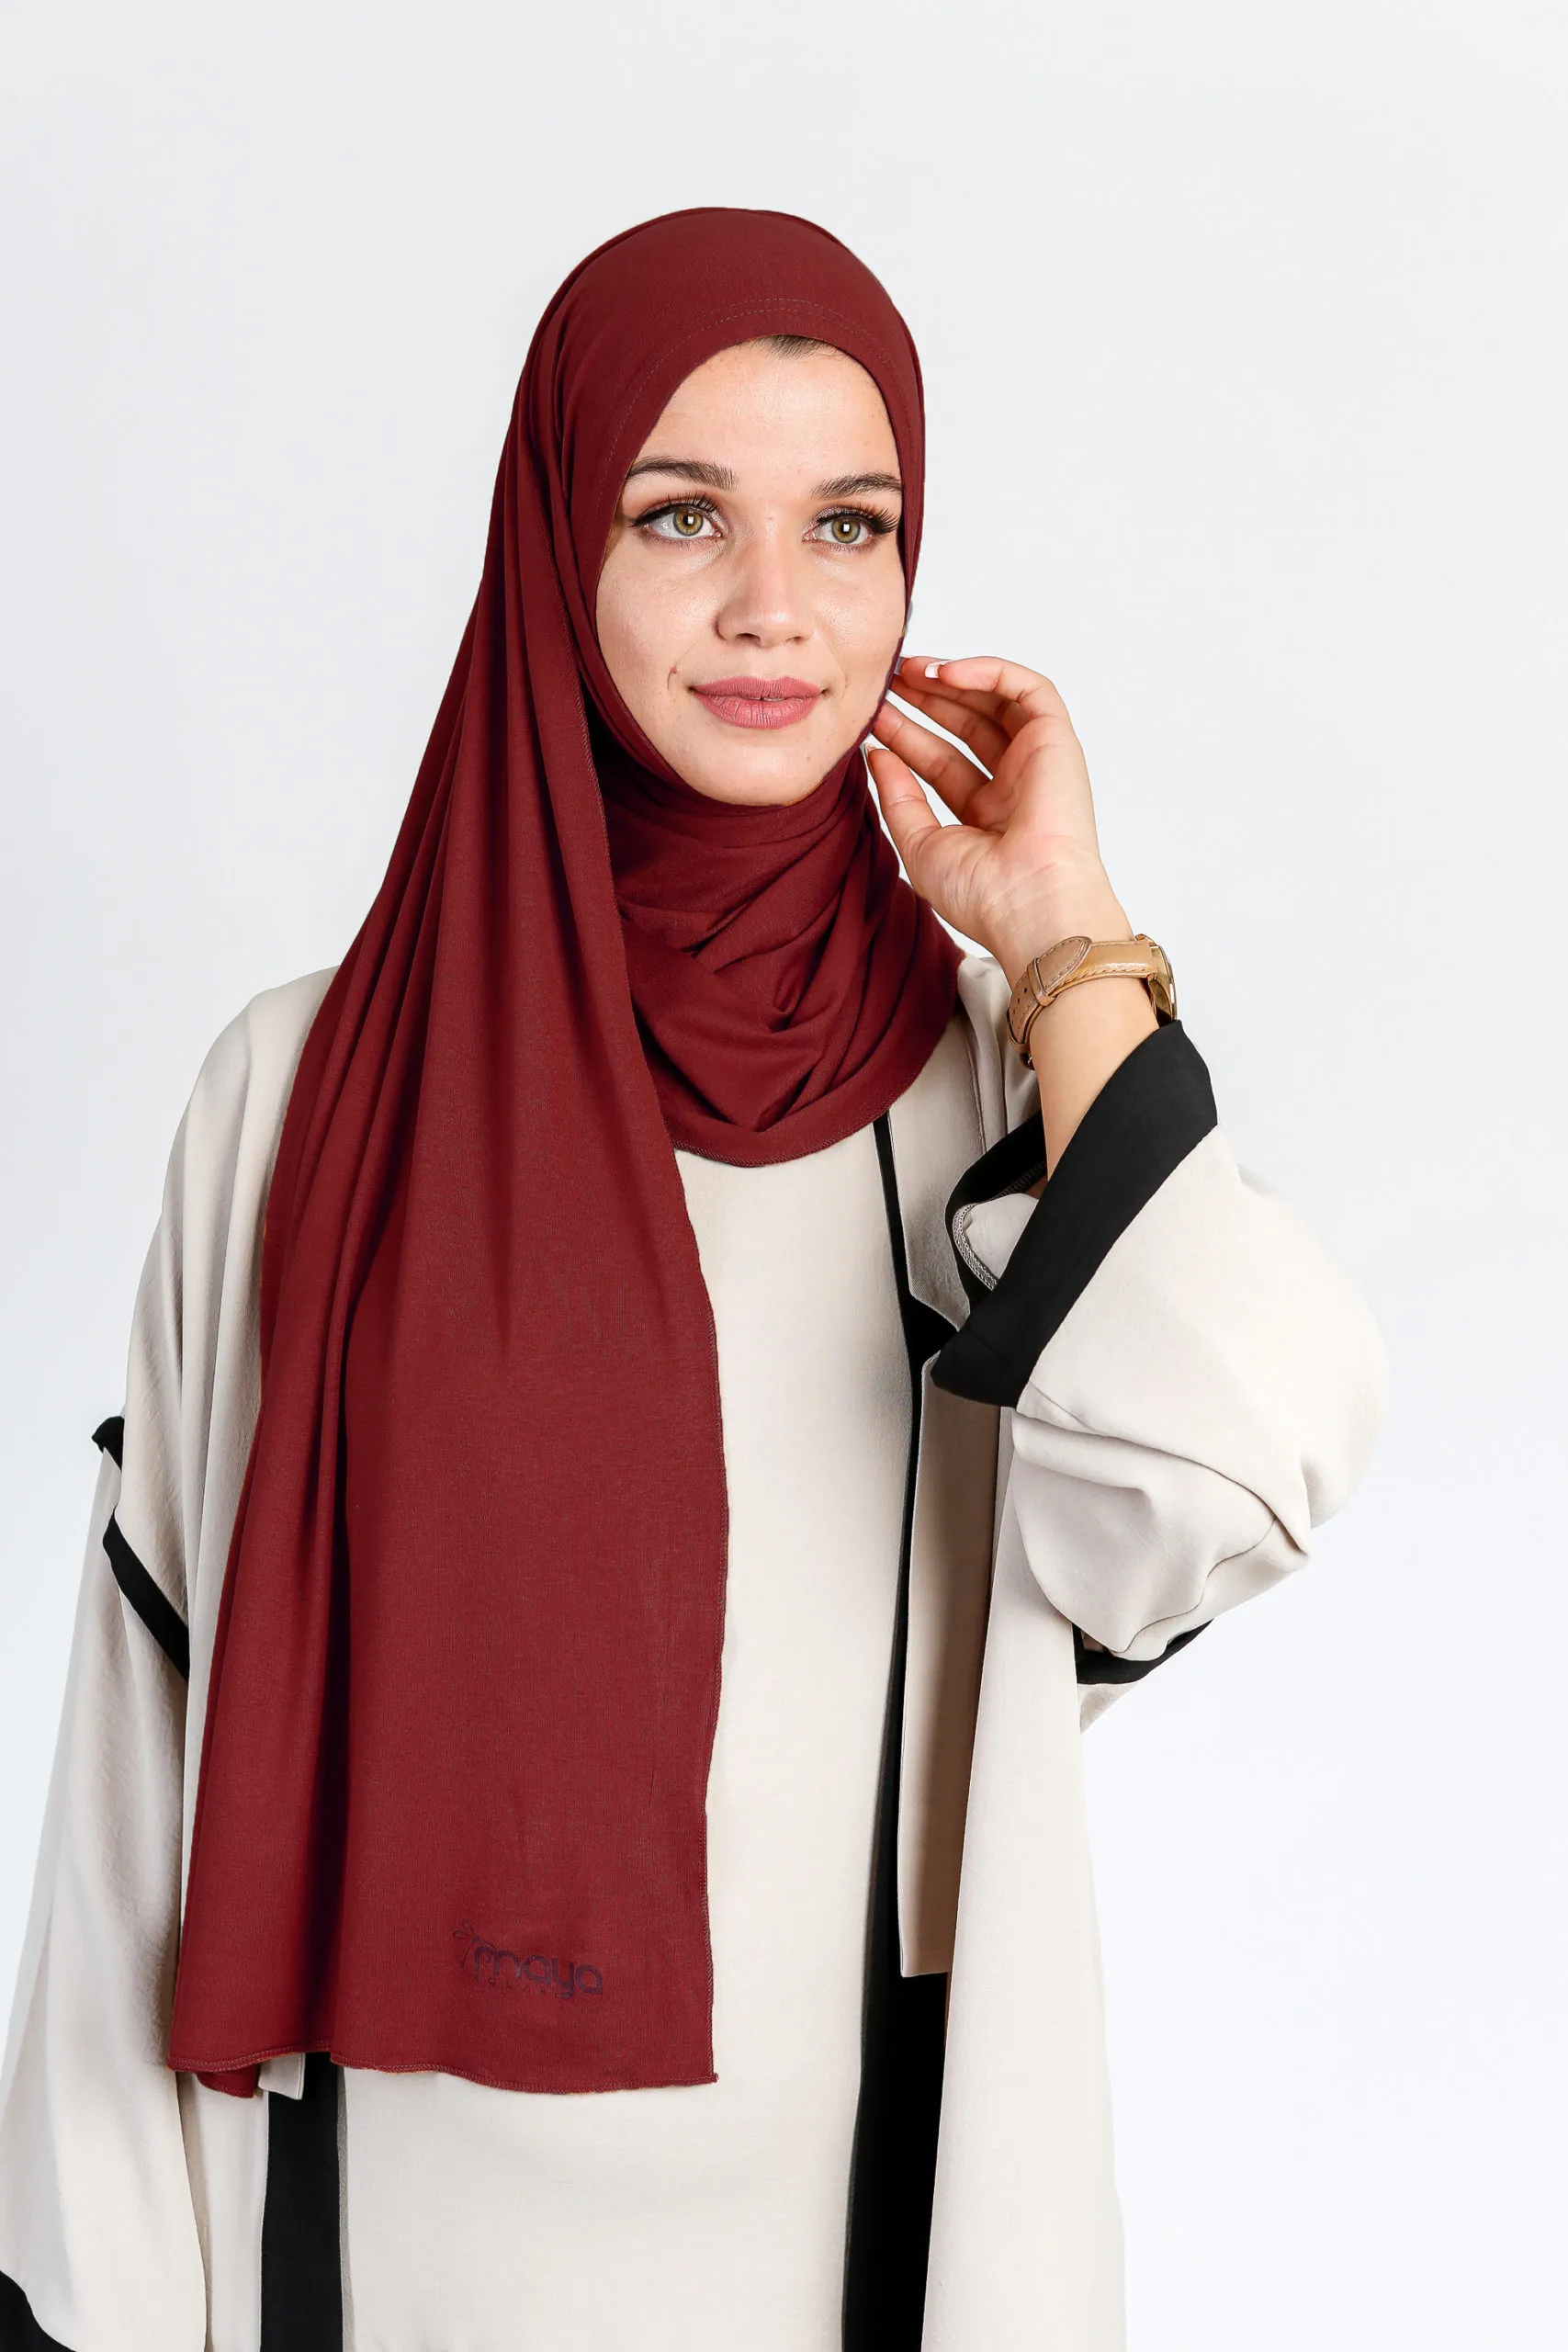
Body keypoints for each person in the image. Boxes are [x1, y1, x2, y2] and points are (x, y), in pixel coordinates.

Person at [0, 208, 1385, 2352]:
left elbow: (1243, 1468)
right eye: (679, 515)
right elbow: (145, 1732)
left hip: (871, 2239)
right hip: (378, 2234)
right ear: (556, 543)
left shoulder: (991, 1096)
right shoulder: (304, 1087)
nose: (771, 607)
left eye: (847, 525)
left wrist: (1065, 937)